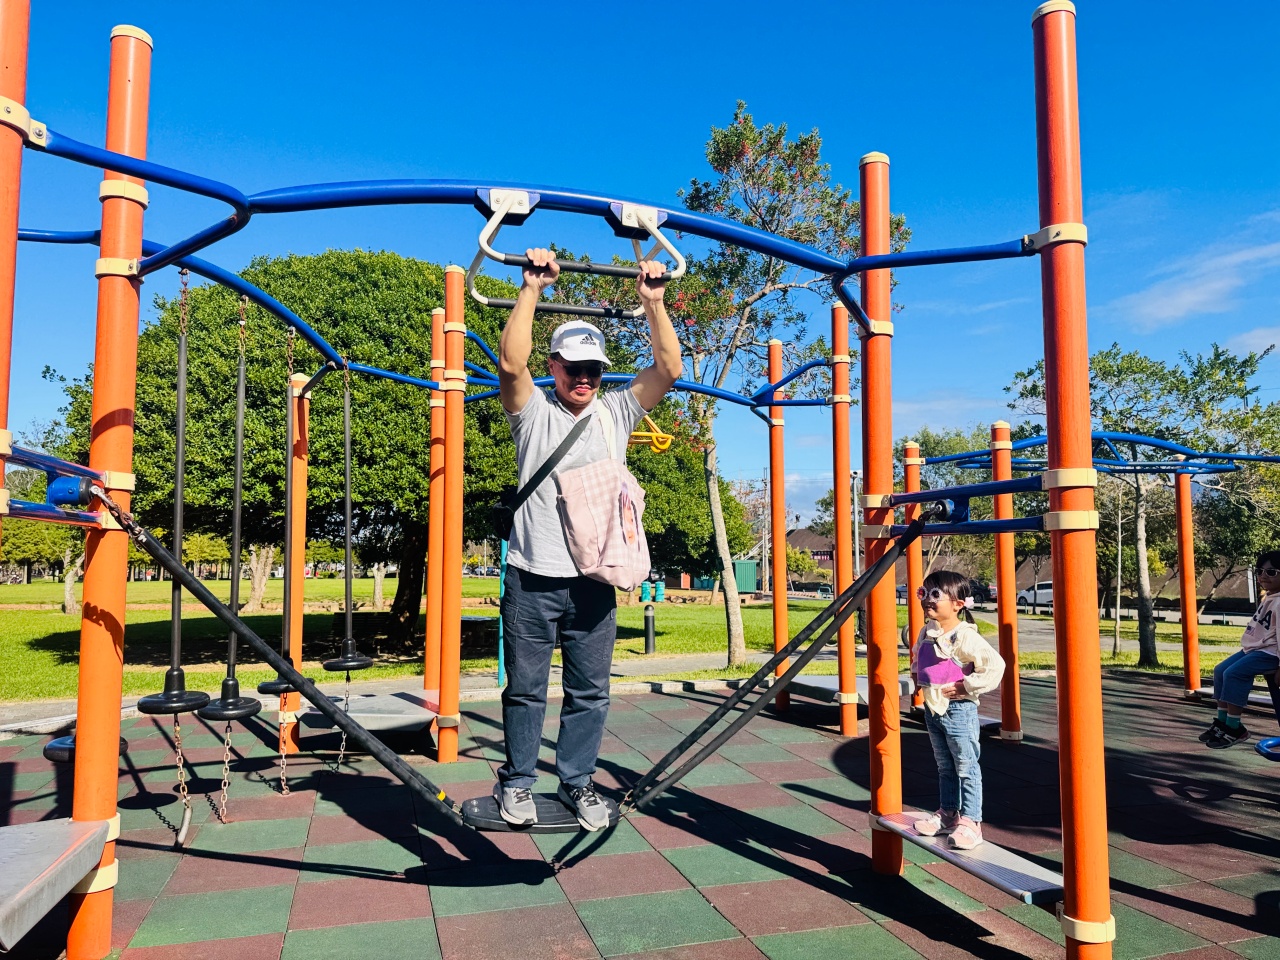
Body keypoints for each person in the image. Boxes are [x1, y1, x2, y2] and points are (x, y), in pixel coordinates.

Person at [494, 248, 681, 830]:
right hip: (532, 577)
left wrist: (653, 302)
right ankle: (519, 783)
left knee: (590, 694)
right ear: (554, 367)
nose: (583, 379)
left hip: (594, 581)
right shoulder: (533, 414)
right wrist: (530, 289)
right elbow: (508, 363)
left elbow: (669, 368)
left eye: (593, 370)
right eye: (573, 368)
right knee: (525, 691)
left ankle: (576, 783)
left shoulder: (616, 414)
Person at [910, 570, 1005, 850]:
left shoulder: (964, 636)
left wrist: (968, 686)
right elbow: (918, 655)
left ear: (958, 604)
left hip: (959, 710)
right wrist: (917, 676)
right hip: (933, 709)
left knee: (966, 766)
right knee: (944, 766)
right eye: (923, 593)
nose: (928, 600)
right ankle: (949, 813)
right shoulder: (926, 631)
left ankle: (971, 822)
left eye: (935, 595)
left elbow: (995, 665)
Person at [1199, 550, 1280, 749]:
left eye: (1271, 572)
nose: (1263, 576)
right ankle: (1223, 723)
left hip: (1270, 652)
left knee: (1235, 674)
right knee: (1220, 670)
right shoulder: (1270, 597)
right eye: (1260, 571)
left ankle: (1235, 728)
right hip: (1255, 649)